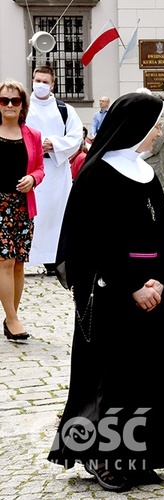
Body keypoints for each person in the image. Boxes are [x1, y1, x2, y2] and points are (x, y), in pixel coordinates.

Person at [48, 92, 164, 491]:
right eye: (155, 124)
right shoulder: (96, 175)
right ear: (136, 127)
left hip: (150, 290)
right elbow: (90, 244)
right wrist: (131, 287)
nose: (158, 132)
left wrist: (158, 278)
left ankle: (141, 456)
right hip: (109, 294)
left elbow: (163, 234)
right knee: (110, 377)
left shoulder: (144, 172)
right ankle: (102, 457)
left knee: (147, 373)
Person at [25, 65, 83, 275]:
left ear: (52, 84)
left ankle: (54, 260)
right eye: (37, 80)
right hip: (30, 169)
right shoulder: (23, 107)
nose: (40, 85)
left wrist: (54, 144)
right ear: (32, 80)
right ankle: (25, 256)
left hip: (56, 170)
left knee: (55, 215)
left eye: (45, 81)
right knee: (31, 215)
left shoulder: (64, 109)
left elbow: (76, 137)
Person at [0, 80, 45, 340]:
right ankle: (14, 319)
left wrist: (34, 179)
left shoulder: (32, 135)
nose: (9, 105)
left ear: (22, 105)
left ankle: (10, 317)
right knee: (4, 260)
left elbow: (40, 167)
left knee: (18, 264)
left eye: (14, 101)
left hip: (22, 205)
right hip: (0, 206)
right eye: (4, 100)